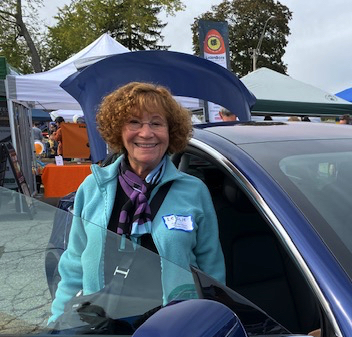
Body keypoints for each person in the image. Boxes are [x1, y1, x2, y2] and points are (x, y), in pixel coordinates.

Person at [49, 81, 225, 323]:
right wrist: (58, 323)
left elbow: (212, 270)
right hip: (102, 326)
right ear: (118, 130)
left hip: (173, 326)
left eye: (156, 123)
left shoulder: (194, 191)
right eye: (134, 122)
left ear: (170, 131)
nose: (146, 133)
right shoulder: (93, 188)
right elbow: (73, 265)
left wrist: (210, 323)